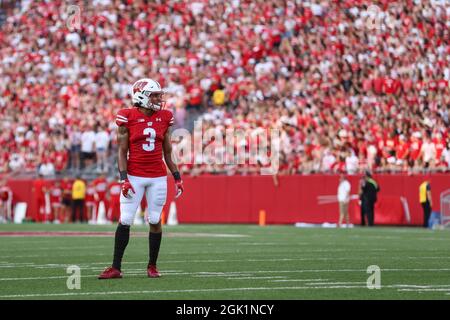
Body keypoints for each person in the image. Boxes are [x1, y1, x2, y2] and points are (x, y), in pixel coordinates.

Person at [98, 78, 184, 280]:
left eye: (158, 95)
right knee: (125, 220)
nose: (158, 99)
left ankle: (152, 266)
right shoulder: (127, 116)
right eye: (154, 95)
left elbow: (168, 151)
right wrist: (123, 179)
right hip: (135, 176)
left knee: (155, 220)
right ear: (141, 96)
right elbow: (121, 151)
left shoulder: (165, 116)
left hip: (157, 176)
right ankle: (116, 267)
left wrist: (177, 177)